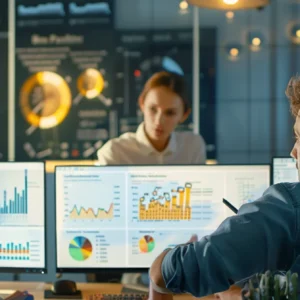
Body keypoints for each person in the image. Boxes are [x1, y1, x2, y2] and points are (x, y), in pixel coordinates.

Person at [148, 75, 300, 299]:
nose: (293, 151)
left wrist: (168, 259)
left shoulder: (289, 208)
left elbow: (165, 273)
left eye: (298, 137)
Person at [97, 71, 206, 165]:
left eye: (170, 113)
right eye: (153, 109)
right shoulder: (115, 152)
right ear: (142, 104)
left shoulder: (192, 147)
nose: (158, 121)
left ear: (184, 115)